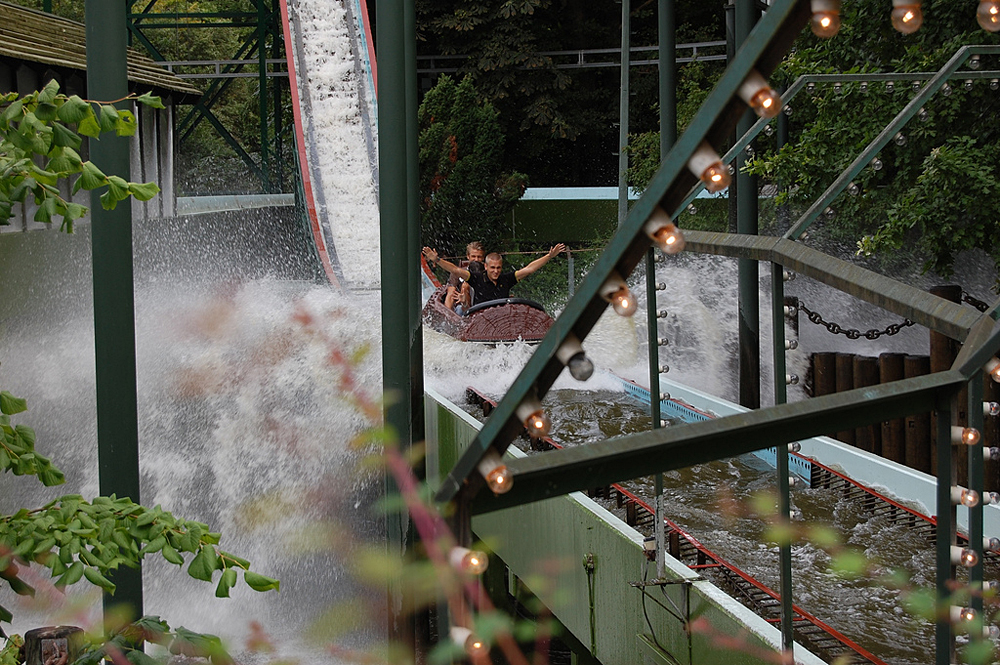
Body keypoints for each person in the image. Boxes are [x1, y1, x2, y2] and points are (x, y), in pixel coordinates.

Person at [422, 243, 567, 308]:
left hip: (500, 318)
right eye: (492, 268)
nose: (496, 271)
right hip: (480, 318)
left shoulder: (507, 279)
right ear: (486, 267)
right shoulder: (476, 278)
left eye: (498, 268)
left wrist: (549, 256)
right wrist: (437, 260)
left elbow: (528, 269)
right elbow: (456, 270)